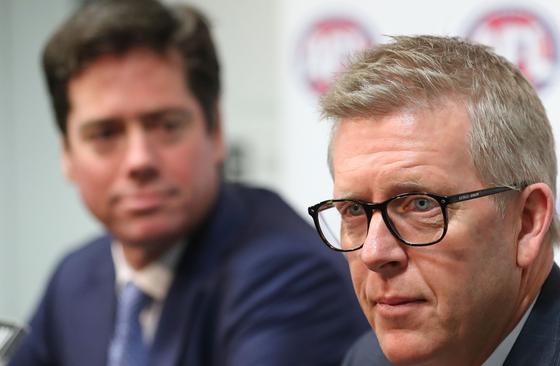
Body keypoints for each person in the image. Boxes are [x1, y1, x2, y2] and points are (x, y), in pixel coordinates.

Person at [10, 0, 369, 365]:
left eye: (166, 125)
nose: (140, 160)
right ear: (67, 154)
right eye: (105, 134)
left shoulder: (289, 276)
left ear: (214, 130)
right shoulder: (76, 277)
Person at [308, 35, 560, 366]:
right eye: (354, 210)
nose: (374, 253)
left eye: (420, 204)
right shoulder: (369, 358)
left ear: (527, 223)